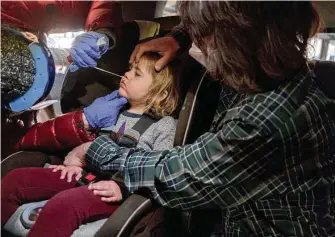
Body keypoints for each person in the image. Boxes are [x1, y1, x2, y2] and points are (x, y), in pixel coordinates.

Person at [57, 1, 334, 237]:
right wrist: (179, 38)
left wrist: (96, 149)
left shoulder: (267, 118)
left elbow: (175, 173)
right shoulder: (270, 67)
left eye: (205, 38)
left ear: (237, 40)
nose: (199, 45)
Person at [1, 52, 179, 237]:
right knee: (15, 180)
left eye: (137, 73)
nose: (127, 74)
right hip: (85, 174)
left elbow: (160, 170)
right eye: (129, 69)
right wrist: (73, 164)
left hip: (117, 188)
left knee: (63, 206)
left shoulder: (164, 125)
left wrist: (123, 187)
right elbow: (82, 144)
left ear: (160, 92)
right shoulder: (112, 109)